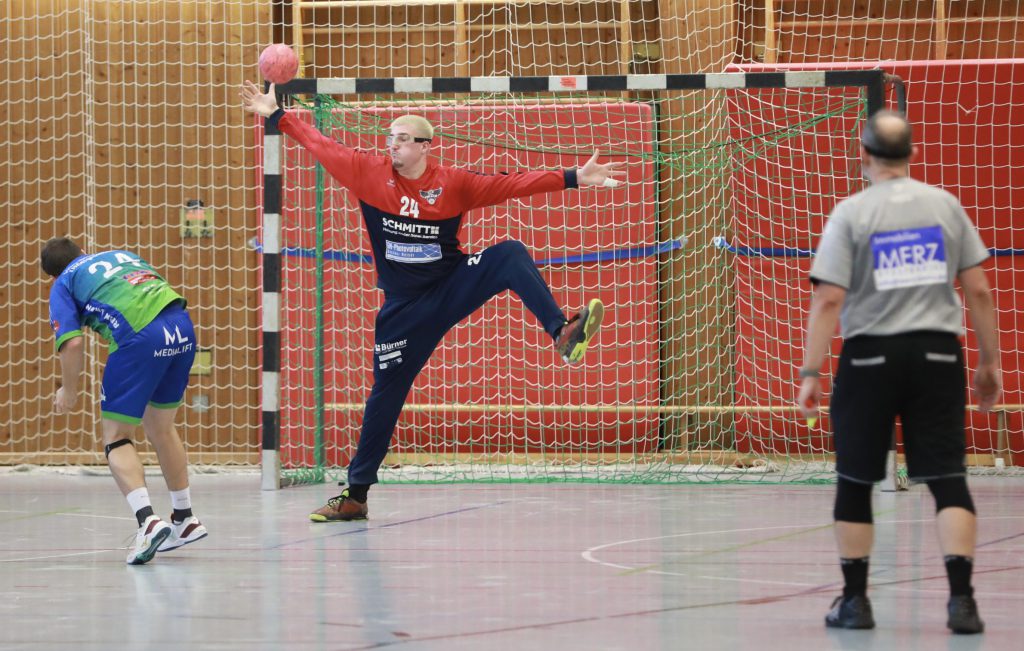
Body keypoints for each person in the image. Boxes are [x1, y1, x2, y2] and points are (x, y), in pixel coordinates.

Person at [240, 81, 621, 521]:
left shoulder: (454, 184)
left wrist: (575, 177)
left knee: (510, 253)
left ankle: (561, 331)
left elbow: (513, 184)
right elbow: (319, 143)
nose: (393, 145)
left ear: (425, 146)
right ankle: (355, 495)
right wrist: (277, 115)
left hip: (452, 284)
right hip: (403, 309)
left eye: (402, 139)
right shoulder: (367, 171)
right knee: (385, 398)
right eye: (390, 138)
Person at [797, 110, 1000, 634]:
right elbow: (977, 289)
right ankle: (962, 603)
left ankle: (856, 602)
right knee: (948, 479)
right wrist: (989, 361)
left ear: (863, 156)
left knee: (856, 478)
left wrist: (811, 373)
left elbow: (828, 298)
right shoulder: (945, 206)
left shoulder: (851, 213)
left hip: (869, 359)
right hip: (937, 357)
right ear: (912, 154)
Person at [42, 237, 208, 565]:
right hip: (181, 327)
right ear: (82, 252)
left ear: (51, 274)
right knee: (162, 428)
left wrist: (69, 389)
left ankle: (147, 521)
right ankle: (184, 518)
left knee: (116, 436)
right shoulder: (120, 255)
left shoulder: (63, 283)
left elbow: (72, 345)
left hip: (140, 338)